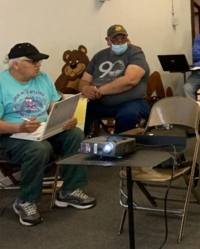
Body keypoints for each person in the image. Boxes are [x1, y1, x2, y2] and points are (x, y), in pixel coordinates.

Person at [0, 43, 96, 227]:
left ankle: (69, 191)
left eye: (39, 61)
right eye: (32, 61)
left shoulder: (42, 77)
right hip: (11, 135)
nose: (38, 65)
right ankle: (25, 201)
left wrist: (66, 119)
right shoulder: (1, 84)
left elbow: (53, 104)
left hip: (42, 129)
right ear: (15, 64)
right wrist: (19, 128)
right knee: (39, 148)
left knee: (75, 134)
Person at [80, 25, 150, 135]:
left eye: (123, 39)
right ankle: (80, 146)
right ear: (108, 40)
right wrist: (85, 89)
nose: (120, 42)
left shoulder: (136, 54)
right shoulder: (99, 56)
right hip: (98, 101)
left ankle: (119, 146)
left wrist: (99, 91)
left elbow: (130, 81)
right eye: (115, 40)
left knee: (128, 115)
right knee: (78, 112)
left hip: (130, 102)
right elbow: (85, 80)